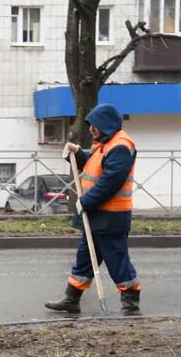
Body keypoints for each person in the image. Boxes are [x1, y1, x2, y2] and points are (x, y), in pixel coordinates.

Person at [45, 104, 140, 316]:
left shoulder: (121, 146)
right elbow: (93, 163)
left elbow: (110, 182)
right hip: (98, 214)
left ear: (106, 124)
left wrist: (86, 201)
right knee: (85, 257)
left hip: (111, 216)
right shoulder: (105, 144)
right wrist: (78, 153)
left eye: (94, 125)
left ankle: (131, 302)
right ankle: (72, 298)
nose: (91, 129)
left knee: (117, 259)